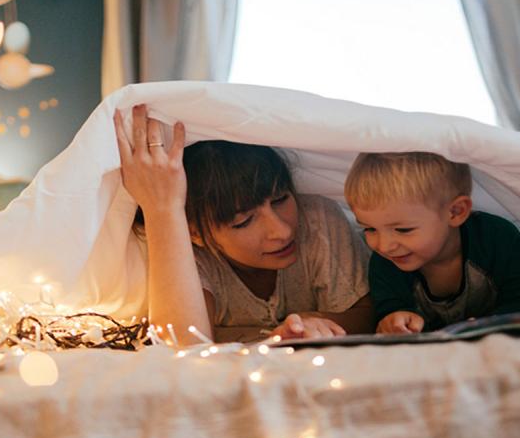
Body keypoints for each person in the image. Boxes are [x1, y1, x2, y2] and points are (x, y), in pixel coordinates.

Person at [114, 105, 375, 345]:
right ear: (194, 232)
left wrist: (311, 321)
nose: (282, 231)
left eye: (281, 199)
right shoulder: (191, 254)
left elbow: (368, 315)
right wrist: (163, 210)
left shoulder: (318, 220)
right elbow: (182, 343)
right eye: (244, 221)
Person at [343, 151, 520, 334]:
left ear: (456, 212)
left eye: (403, 230)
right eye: (370, 229)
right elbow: (388, 309)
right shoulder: (385, 262)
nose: (384, 246)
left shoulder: (496, 238)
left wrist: (489, 325)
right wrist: (394, 320)